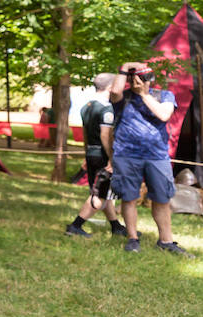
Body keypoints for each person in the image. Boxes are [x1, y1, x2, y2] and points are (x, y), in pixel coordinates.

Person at [108, 61, 189, 256]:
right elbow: (114, 91)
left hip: (157, 156)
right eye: (135, 78)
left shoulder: (164, 96)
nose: (139, 82)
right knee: (129, 198)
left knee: (162, 199)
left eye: (143, 78)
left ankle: (166, 241)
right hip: (127, 155)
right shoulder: (123, 97)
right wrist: (125, 67)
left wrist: (144, 94)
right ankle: (132, 238)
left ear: (151, 79)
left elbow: (163, 115)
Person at [65, 72, 127, 238]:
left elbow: (85, 133)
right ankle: (76, 225)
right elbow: (105, 136)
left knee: (104, 191)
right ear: (110, 87)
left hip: (91, 152)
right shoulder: (107, 109)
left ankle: (116, 226)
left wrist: (86, 154)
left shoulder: (87, 106)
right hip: (102, 155)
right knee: (100, 194)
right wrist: (112, 159)